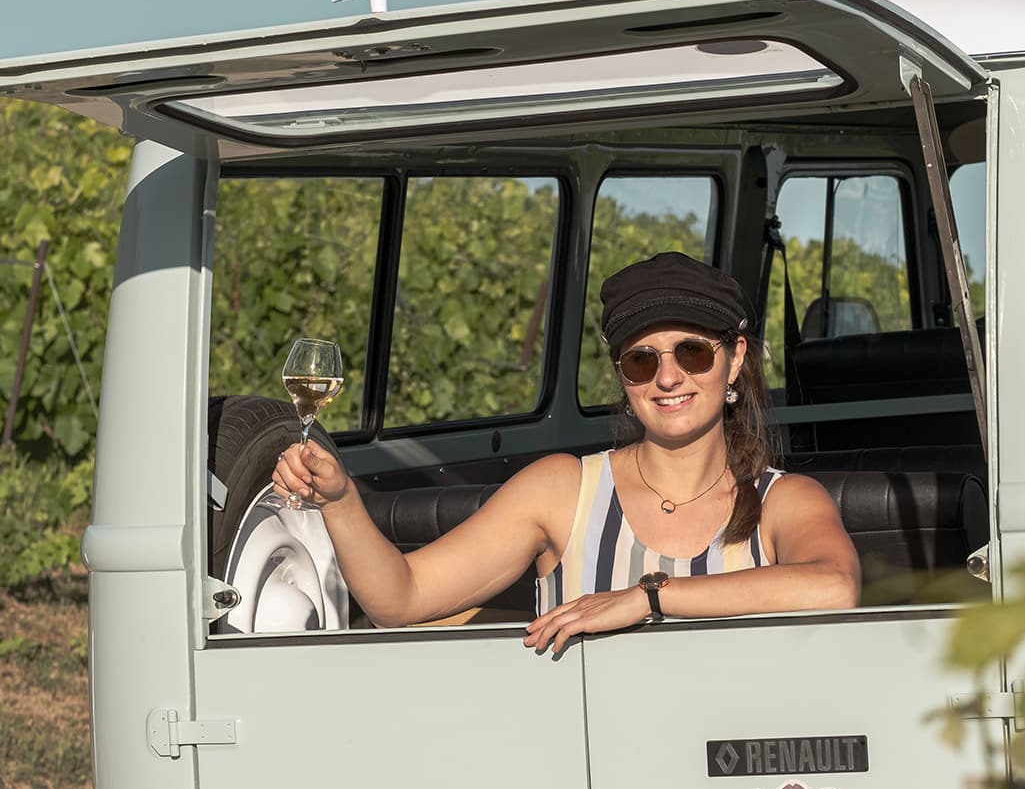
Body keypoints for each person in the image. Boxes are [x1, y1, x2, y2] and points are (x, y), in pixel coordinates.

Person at [273, 252, 860, 652]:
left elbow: (835, 587)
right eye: (641, 360)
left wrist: (646, 599)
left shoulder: (783, 500)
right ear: (624, 380)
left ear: (734, 361)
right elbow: (401, 599)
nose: (668, 377)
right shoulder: (563, 490)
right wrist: (342, 499)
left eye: (693, 353)